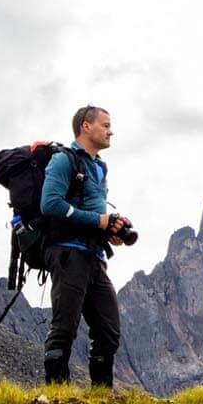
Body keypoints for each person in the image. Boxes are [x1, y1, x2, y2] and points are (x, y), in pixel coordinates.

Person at [39, 105, 135, 387]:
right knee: (65, 326)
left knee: (109, 331)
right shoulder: (63, 160)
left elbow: (93, 219)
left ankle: (101, 398)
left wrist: (110, 230)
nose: (110, 131)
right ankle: (57, 397)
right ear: (86, 126)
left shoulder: (98, 168)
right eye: (105, 125)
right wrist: (100, 220)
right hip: (68, 253)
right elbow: (50, 204)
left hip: (94, 256)